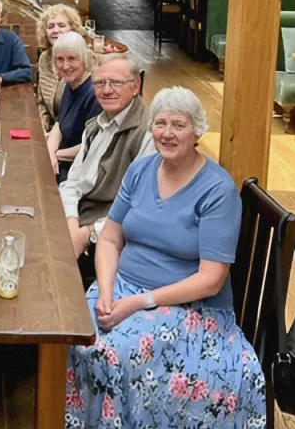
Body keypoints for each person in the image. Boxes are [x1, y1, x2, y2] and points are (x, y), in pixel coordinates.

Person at [64, 87, 267, 428]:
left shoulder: (217, 190)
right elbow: (111, 236)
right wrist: (107, 289)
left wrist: (139, 302)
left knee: (111, 351)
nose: (167, 133)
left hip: (188, 307)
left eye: (179, 125)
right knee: (74, 333)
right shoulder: (141, 170)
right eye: (160, 123)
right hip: (122, 287)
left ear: (197, 131)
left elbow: (211, 279)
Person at [59, 54, 155, 288]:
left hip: (112, 239)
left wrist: (89, 234)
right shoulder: (96, 125)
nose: (107, 90)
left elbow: (140, 207)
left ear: (135, 86)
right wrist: (72, 223)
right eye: (100, 83)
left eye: (116, 82)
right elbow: (73, 183)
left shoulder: (147, 133)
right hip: (79, 222)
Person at [47, 31, 103, 182]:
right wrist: (50, 152)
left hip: (80, 172)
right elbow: (60, 124)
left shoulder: (94, 94)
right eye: (60, 59)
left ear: (84, 59)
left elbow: (91, 146)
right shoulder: (69, 84)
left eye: (72, 58)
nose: (65, 66)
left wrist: (54, 155)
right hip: (62, 160)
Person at [36, 4, 86, 132]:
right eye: (50, 26)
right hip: (51, 131)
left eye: (61, 25)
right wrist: (43, 128)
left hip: (75, 134)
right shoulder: (44, 58)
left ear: (73, 29)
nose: (55, 30)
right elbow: (42, 103)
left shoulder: (84, 59)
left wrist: (55, 136)